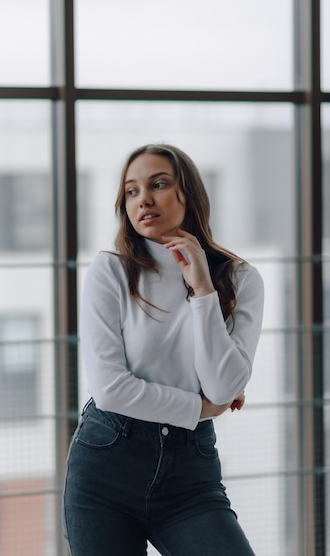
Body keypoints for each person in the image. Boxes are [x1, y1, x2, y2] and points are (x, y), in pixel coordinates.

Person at [62, 143, 264, 555]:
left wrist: (203, 290)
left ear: (187, 193)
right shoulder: (111, 271)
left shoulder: (240, 278)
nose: (144, 200)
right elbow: (111, 390)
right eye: (131, 191)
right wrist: (200, 408)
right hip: (106, 467)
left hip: (190, 474)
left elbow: (224, 386)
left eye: (158, 184)